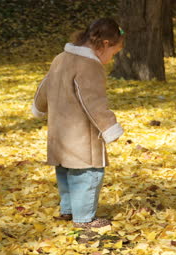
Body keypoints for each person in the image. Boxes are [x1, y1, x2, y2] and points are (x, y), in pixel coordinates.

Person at [31, 18, 125, 228]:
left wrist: (39, 107)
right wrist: (109, 127)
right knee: (88, 173)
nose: (110, 60)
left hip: (60, 134)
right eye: (114, 53)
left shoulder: (61, 58)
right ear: (106, 44)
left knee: (65, 171)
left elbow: (45, 85)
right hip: (82, 135)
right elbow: (93, 101)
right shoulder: (89, 66)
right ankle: (84, 219)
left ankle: (69, 209)